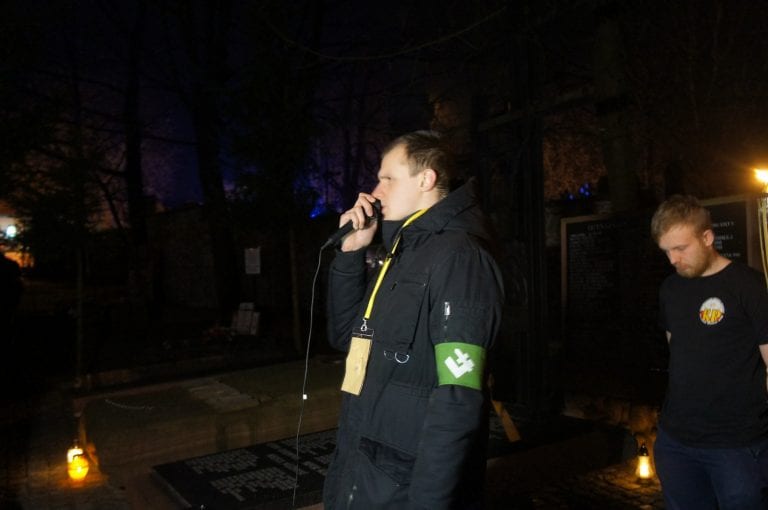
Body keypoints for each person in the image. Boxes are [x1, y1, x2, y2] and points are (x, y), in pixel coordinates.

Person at [323, 130, 504, 509]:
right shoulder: (403, 253)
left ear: (426, 179)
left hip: (404, 484)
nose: (376, 191)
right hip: (365, 467)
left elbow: (458, 397)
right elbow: (344, 336)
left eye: (388, 178)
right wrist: (351, 254)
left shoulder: (460, 258)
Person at [650, 194, 768, 510]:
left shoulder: (749, 285)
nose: (673, 259)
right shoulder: (670, 289)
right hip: (676, 442)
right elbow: (678, 350)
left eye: (680, 248)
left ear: (707, 237)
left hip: (736, 445)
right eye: (666, 251)